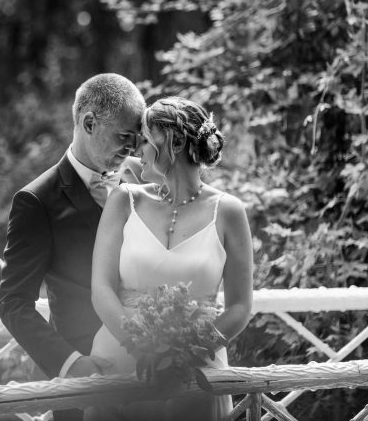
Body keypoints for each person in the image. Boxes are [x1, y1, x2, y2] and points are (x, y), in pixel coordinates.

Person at [89, 96, 253, 421]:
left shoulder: (229, 211)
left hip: (197, 371)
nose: (139, 152)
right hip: (120, 361)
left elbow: (240, 307)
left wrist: (185, 356)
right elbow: (101, 289)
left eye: (147, 142)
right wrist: (140, 348)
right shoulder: (124, 200)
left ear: (173, 144)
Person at [0, 73, 146, 421]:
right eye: (124, 137)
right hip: (89, 377)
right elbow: (13, 303)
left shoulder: (144, 175)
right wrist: (71, 363)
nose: (132, 150)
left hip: (152, 370)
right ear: (89, 123)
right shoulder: (36, 200)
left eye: (138, 140)